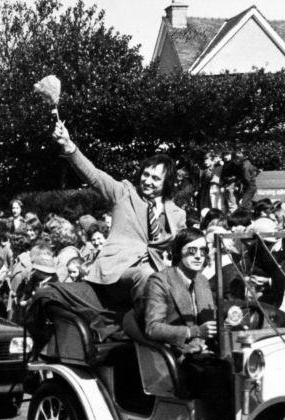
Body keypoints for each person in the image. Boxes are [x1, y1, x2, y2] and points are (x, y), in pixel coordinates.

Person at [52, 119, 186, 310]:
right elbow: (95, 176)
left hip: (159, 273)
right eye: (145, 174)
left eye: (156, 178)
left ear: (167, 183)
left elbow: (182, 248)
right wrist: (69, 146)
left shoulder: (177, 214)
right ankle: (148, 329)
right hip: (118, 271)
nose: (147, 181)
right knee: (147, 275)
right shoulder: (124, 193)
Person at [139, 227, 232, 420]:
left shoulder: (202, 280)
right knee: (220, 375)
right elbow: (152, 327)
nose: (198, 256)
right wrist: (195, 331)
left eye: (203, 251)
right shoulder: (160, 281)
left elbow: (209, 317)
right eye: (192, 250)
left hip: (205, 352)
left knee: (242, 368)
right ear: (178, 251)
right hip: (176, 356)